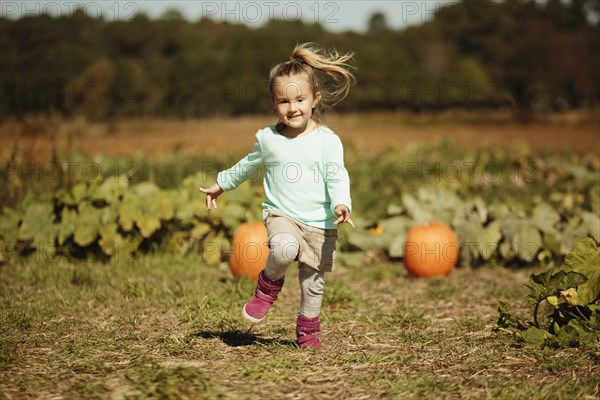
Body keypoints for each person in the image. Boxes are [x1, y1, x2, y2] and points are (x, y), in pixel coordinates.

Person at [199, 42, 356, 349]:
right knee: (283, 248)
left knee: (313, 285)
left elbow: (337, 173)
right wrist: (221, 183)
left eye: (300, 99)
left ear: (314, 100)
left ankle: (307, 335)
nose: (292, 107)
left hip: (320, 222)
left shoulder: (328, 141)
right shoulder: (268, 139)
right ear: (274, 104)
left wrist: (342, 203)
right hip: (282, 215)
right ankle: (266, 289)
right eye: (284, 101)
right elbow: (247, 165)